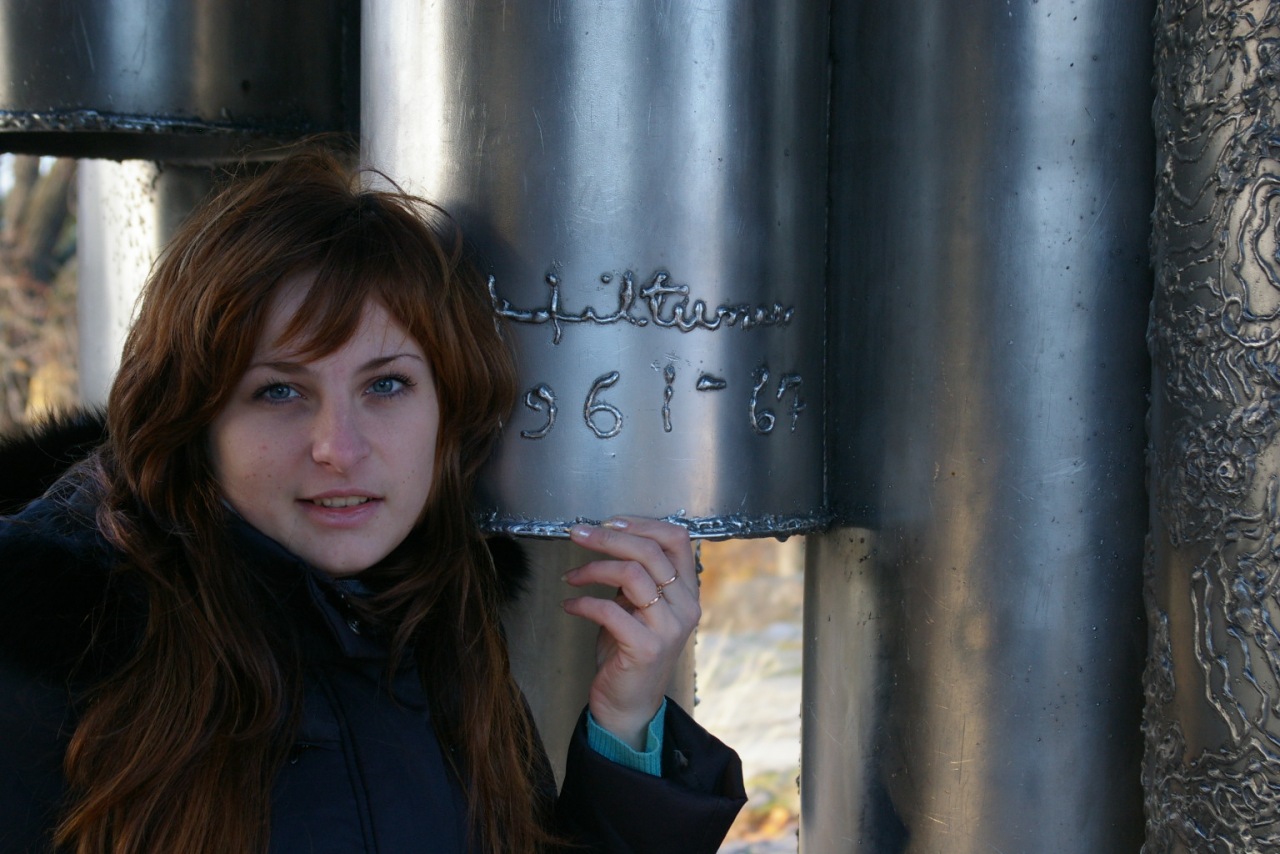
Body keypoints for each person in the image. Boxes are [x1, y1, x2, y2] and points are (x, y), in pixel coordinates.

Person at [0, 148, 745, 852]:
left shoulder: (438, 624)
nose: (339, 446)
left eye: (386, 384)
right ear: (196, 417)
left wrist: (624, 724)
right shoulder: (52, 657)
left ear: (449, 407)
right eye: (279, 391)